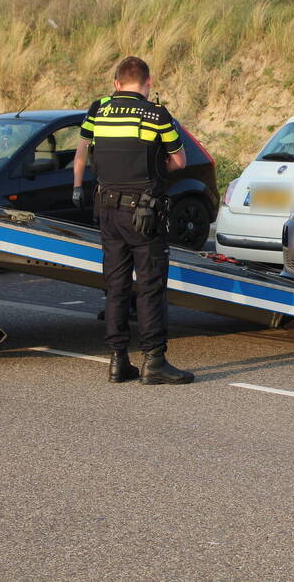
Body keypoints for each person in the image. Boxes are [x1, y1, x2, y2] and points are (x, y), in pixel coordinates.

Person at [72, 57, 194, 385]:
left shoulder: (98, 110)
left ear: (116, 84)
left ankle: (117, 361)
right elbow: (180, 162)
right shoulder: (157, 114)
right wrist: (156, 170)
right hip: (144, 212)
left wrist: (76, 187)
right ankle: (153, 361)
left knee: (116, 286)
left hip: (107, 209)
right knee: (150, 286)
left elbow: (81, 153)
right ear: (148, 82)